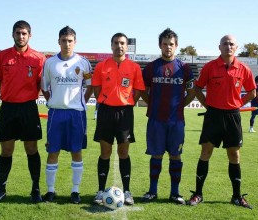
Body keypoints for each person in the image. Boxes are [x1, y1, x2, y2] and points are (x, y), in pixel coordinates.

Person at [187, 35, 256, 209]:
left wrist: (237, 104)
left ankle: (236, 196)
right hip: (213, 116)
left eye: (231, 44)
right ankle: (198, 194)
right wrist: (208, 105)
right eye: (225, 44)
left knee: (234, 155)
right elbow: (197, 88)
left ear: (236, 47)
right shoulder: (210, 67)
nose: (228, 46)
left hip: (232, 116)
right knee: (206, 153)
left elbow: (252, 92)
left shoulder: (244, 69)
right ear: (219, 47)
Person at [0, 20, 46, 203]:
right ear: (12, 34)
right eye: (18, 33)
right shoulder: (2, 56)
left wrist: (27, 96)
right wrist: (8, 94)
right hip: (8, 108)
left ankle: (35, 189)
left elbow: (40, 83)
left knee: (31, 149)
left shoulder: (39, 58)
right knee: (6, 150)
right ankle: (1, 188)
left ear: (30, 35)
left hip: (29, 108)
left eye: (24, 33)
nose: (21, 36)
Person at [140, 28, 195, 204]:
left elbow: (192, 93)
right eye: (165, 44)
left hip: (176, 121)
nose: (168, 47)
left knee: (175, 156)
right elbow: (143, 91)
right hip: (156, 120)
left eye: (171, 44)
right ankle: (152, 191)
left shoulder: (184, 68)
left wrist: (180, 106)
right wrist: (153, 104)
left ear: (176, 45)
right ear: (160, 45)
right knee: (156, 155)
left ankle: (175, 193)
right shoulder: (150, 68)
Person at [91, 32, 145, 205]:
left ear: (126, 46)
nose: (119, 46)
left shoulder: (134, 67)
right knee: (105, 152)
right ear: (111, 45)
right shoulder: (101, 66)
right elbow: (97, 90)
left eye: (122, 43)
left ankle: (127, 191)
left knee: (123, 152)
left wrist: (127, 103)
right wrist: (107, 102)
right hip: (106, 112)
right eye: (116, 43)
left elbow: (138, 91)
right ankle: (100, 191)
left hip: (125, 113)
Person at [41, 26, 93, 204]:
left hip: (76, 114)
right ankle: (50, 191)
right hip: (56, 113)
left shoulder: (83, 62)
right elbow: (44, 86)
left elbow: (90, 84)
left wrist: (82, 102)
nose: (67, 44)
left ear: (75, 42)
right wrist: (52, 100)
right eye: (64, 40)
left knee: (76, 151)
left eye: (70, 41)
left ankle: (75, 191)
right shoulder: (49, 63)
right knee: (52, 152)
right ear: (58, 42)